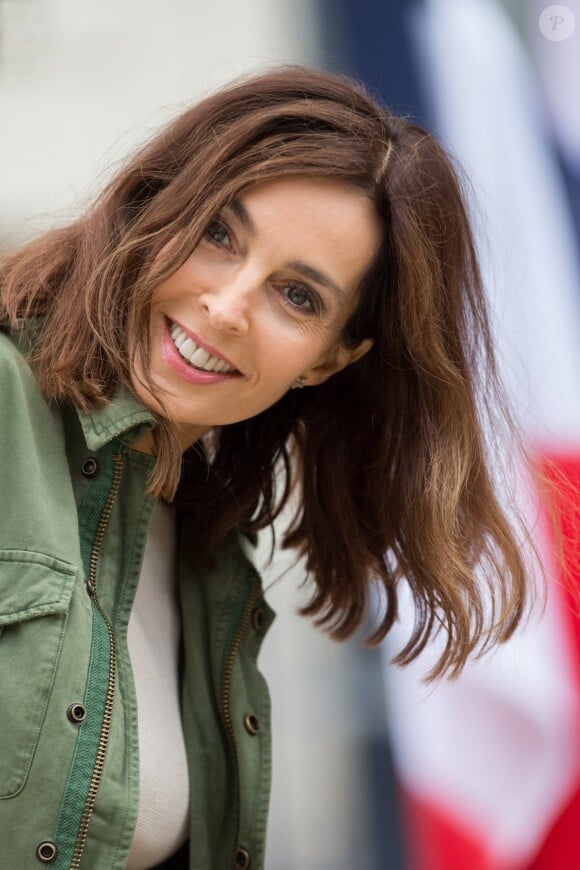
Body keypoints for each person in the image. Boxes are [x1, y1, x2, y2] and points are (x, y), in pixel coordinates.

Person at [0, 66, 531, 870]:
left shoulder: (211, 557)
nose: (227, 304)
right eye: (219, 233)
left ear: (329, 361)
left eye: (298, 296)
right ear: (159, 203)